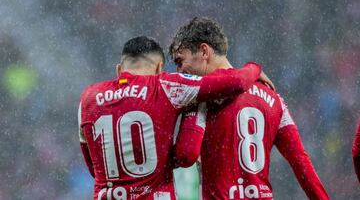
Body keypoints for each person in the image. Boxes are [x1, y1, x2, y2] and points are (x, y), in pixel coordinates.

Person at [78, 36, 269, 200]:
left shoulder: (88, 98)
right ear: (160, 67)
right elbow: (236, 82)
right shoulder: (166, 85)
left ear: (119, 70)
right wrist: (254, 68)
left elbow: (94, 167)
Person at [170, 17, 329, 200]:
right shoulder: (274, 98)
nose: (179, 71)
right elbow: (301, 163)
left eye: (180, 61)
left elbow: (186, 153)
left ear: (204, 51)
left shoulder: (201, 98)